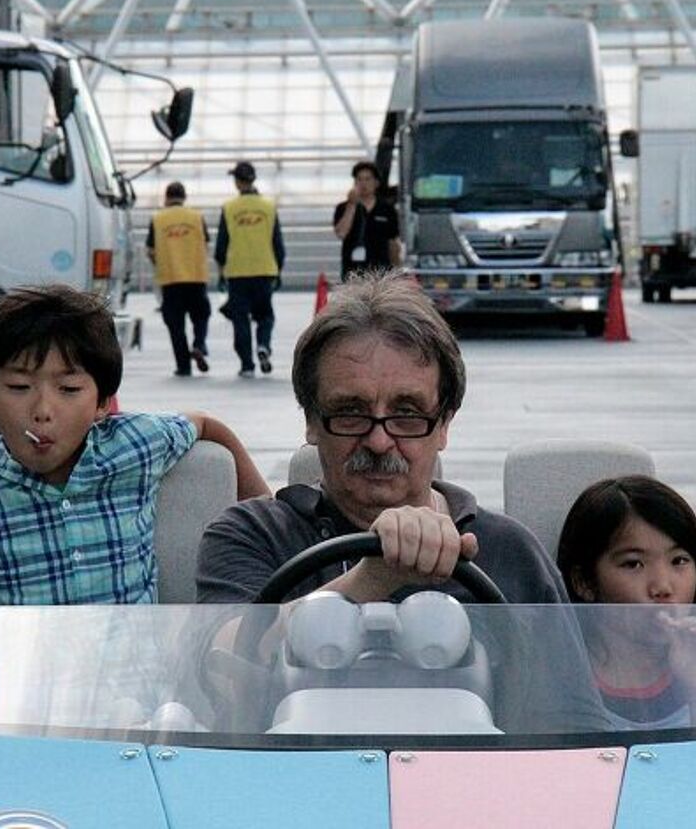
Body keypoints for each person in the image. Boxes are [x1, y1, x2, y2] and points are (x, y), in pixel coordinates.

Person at [197, 272, 607, 734]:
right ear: (311, 420)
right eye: (350, 412)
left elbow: (577, 732)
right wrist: (374, 577)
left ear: (444, 424)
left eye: (407, 414)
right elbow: (222, 665)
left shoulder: (508, 551)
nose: (379, 440)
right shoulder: (253, 534)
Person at [0, 284, 270, 605]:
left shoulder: (135, 444)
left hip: (138, 640)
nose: (43, 411)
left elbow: (205, 424)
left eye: (69, 389)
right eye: (19, 386)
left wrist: (266, 512)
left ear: (103, 402)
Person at [557, 475, 696, 730]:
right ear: (584, 582)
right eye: (633, 564)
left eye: (679, 561)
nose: (662, 587)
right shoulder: (558, 675)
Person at [215, 161, 285, 378]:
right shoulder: (268, 207)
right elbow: (278, 243)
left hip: (237, 272)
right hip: (264, 270)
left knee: (240, 318)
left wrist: (221, 272)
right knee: (265, 315)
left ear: (237, 182)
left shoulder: (229, 208)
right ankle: (263, 345)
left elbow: (221, 246)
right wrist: (278, 269)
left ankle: (246, 364)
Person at [146, 181, 212, 377]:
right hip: (196, 277)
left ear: (166, 198)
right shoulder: (197, 217)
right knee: (201, 316)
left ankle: (183, 366)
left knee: (175, 325)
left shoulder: (158, 219)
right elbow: (206, 244)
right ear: (184, 197)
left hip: (170, 279)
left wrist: (160, 263)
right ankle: (199, 344)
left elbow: (150, 250)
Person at [333, 160, 401, 283]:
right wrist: (351, 205)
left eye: (368, 179)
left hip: (381, 273)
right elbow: (341, 233)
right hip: (353, 273)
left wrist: (397, 271)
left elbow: (393, 242)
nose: (363, 184)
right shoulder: (343, 208)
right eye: (359, 179)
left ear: (376, 183)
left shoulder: (387, 209)